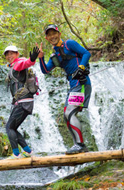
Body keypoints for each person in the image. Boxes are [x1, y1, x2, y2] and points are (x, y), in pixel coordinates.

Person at [37, 24, 92, 154]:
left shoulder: (69, 44)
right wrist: (40, 58)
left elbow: (86, 53)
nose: (52, 36)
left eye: (54, 33)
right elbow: (45, 70)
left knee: (69, 113)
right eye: (49, 35)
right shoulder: (55, 55)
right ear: (46, 38)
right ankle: (78, 145)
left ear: (59, 33)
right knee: (66, 115)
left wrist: (82, 67)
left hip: (82, 83)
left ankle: (80, 145)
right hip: (74, 86)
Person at [4, 45, 40, 159]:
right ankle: (28, 151)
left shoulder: (18, 64)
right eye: (7, 54)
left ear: (17, 54)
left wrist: (32, 59)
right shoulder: (13, 66)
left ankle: (16, 154)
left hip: (23, 102)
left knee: (9, 127)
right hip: (24, 102)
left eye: (12, 53)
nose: (9, 56)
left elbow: (27, 63)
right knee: (12, 127)